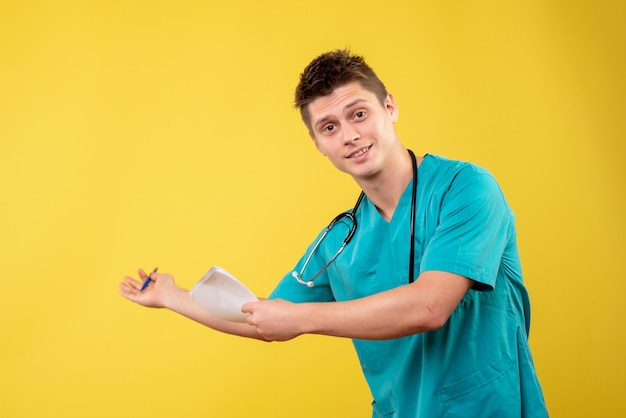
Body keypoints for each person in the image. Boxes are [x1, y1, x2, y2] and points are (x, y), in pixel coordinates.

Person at [119, 49, 548, 417]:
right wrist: (171, 296)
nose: (350, 135)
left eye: (359, 114)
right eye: (329, 127)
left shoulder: (466, 188)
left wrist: (300, 319)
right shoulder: (340, 240)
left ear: (390, 108)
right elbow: (264, 318)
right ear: (318, 144)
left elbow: (430, 306)